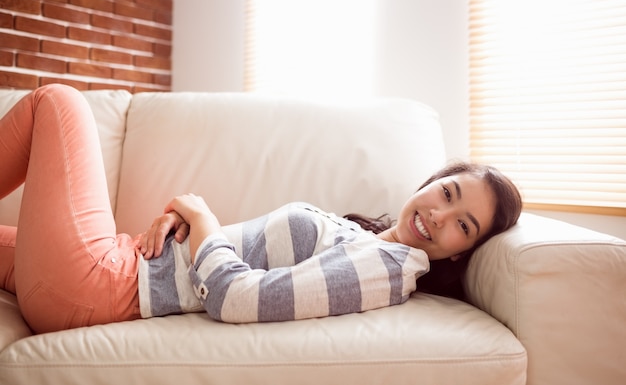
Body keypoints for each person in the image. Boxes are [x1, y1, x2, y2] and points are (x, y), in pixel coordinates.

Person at [0, 84, 522, 334]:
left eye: (462, 227)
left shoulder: (384, 271)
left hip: (97, 285)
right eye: (449, 195)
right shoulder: (369, 243)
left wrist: (203, 220)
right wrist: (186, 230)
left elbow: (239, 299)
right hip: (115, 265)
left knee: (59, 104)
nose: (438, 217)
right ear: (436, 182)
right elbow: (242, 261)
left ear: (461, 255)